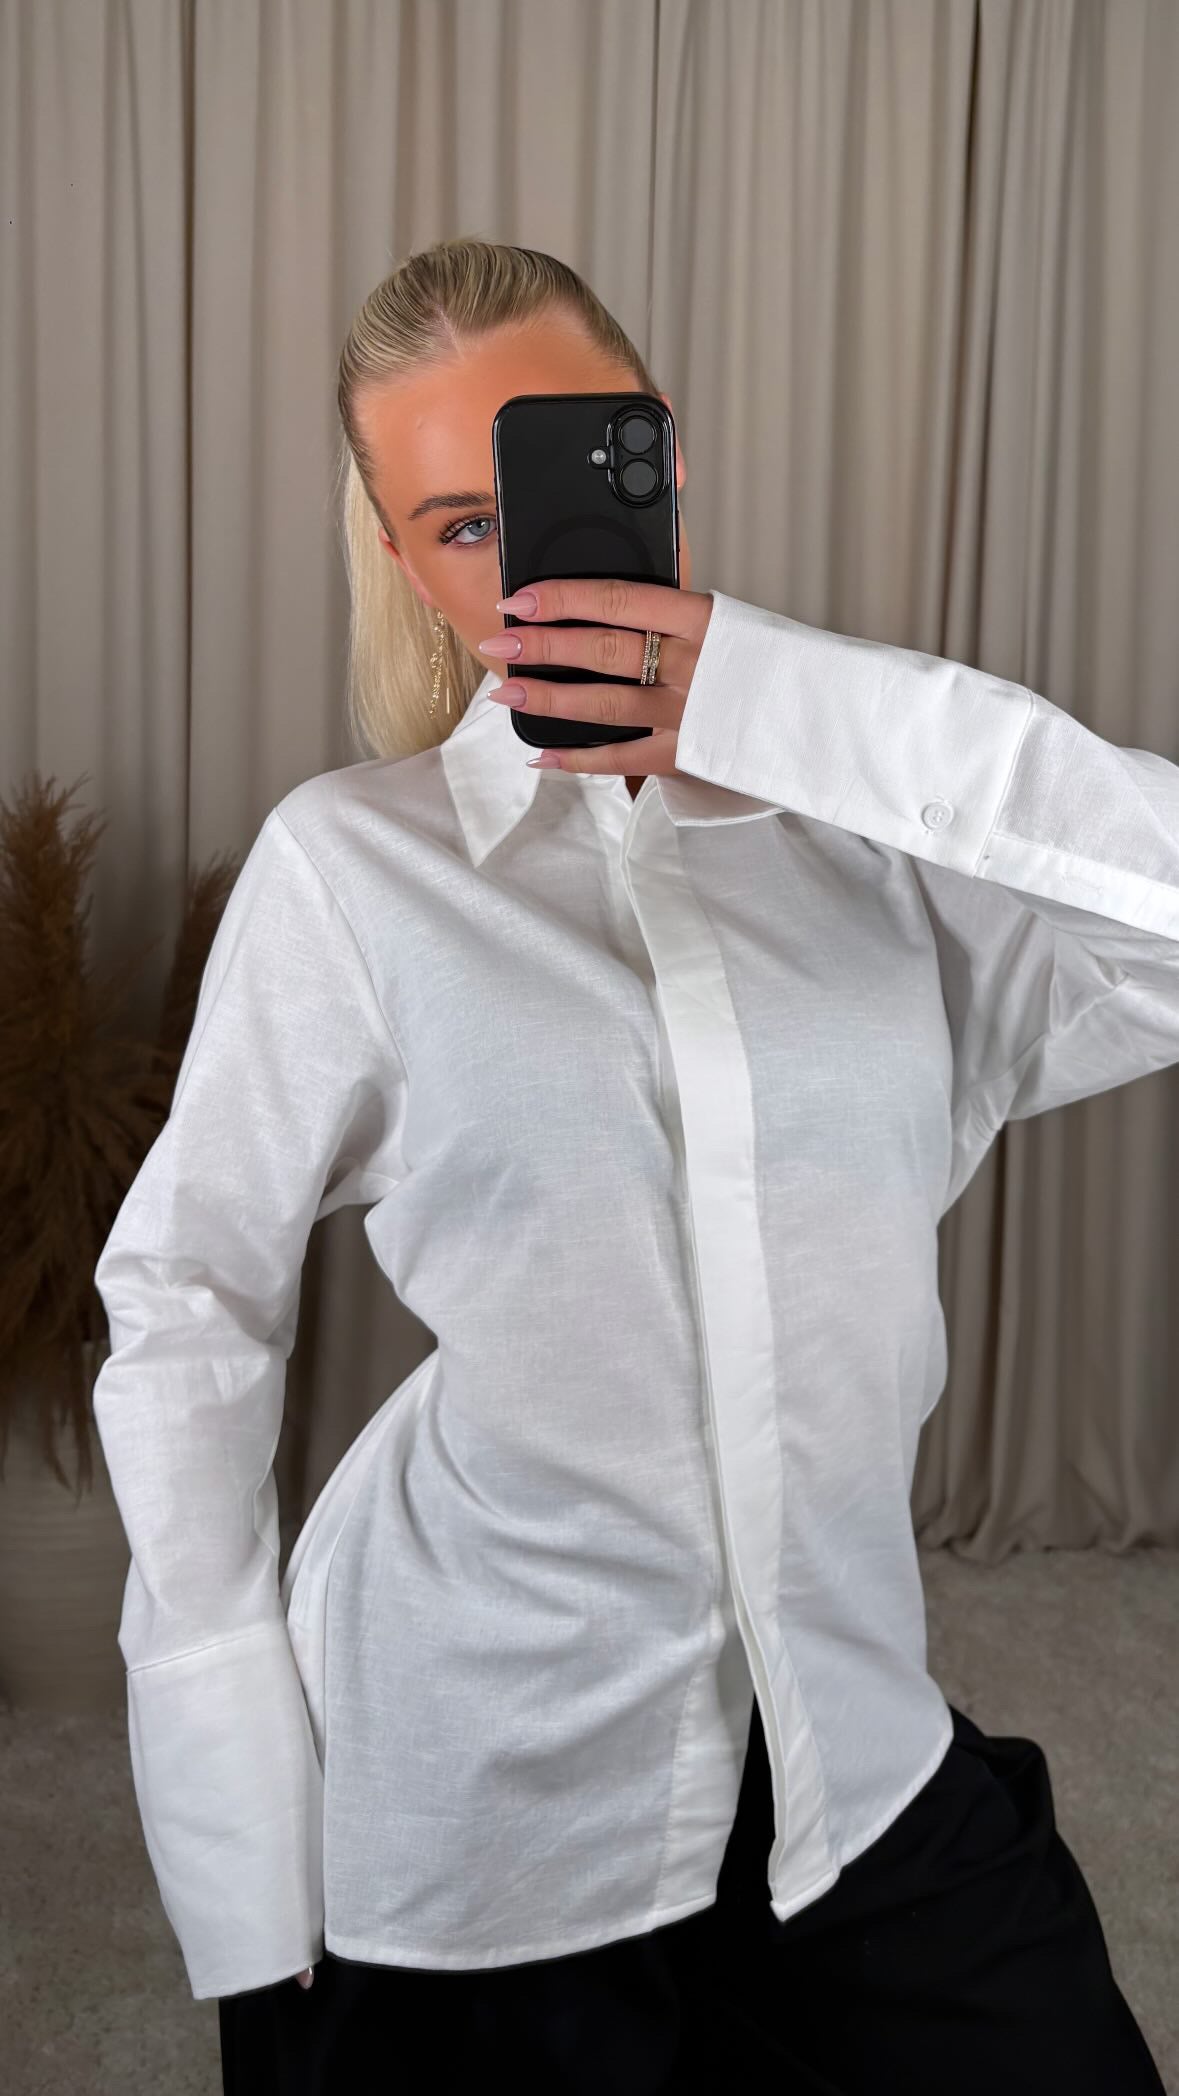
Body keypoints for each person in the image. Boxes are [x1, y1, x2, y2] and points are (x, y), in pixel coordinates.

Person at [91, 238, 1170, 2094]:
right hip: (477, 1795)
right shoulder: (353, 869)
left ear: (661, 447)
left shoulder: (882, 851)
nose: (528, 561)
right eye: (460, 523)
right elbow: (184, 1291)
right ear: (403, 559)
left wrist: (769, 694)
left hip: (849, 1749)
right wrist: (236, 1789)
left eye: (572, 465)